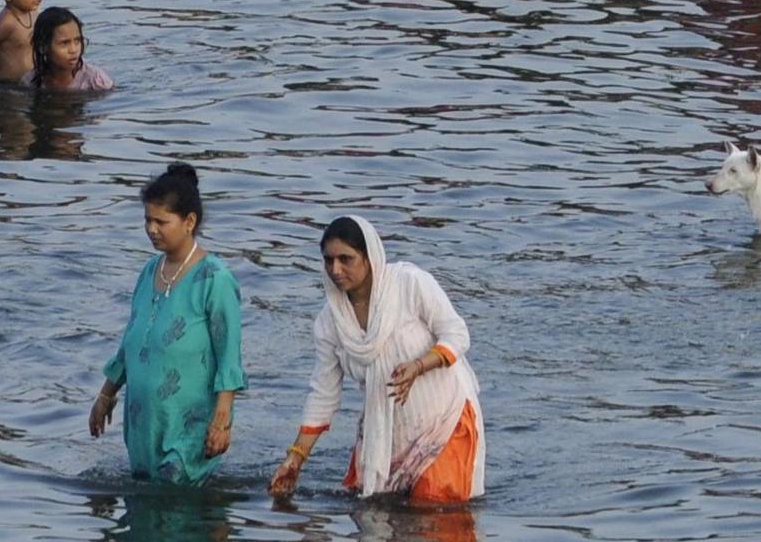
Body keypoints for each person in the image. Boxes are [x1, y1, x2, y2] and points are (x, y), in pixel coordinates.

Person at [271, 216, 483, 503]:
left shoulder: (409, 284)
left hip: (443, 422)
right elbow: (324, 394)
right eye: (328, 260)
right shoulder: (331, 321)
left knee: (433, 515)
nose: (336, 269)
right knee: (384, 528)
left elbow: (457, 334)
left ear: (369, 258)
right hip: (387, 434)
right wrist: (295, 460)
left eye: (346, 259)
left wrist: (419, 366)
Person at [91, 164, 245, 483]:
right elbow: (132, 342)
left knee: (177, 493)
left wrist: (222, 420)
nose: (152, 229)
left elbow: (229, 356)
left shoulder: (214, 279)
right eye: (147, 220)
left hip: (189, 423)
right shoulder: (149, 272)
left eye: (162, 222)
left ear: (189, 222)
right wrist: (106, 394)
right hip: (144, 421)